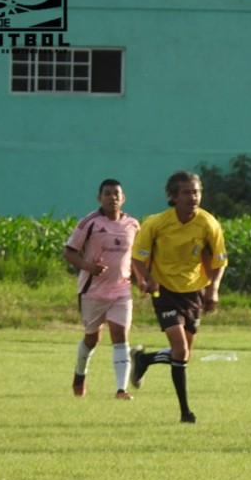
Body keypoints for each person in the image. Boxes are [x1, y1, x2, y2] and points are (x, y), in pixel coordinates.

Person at [129, 171, 228, 424]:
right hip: (165, 291)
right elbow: (138, 257)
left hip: (194, 292)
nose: (192, 197)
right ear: (173, 196)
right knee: (180, 350)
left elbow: (219, 260)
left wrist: (213, 288)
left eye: (196, 192)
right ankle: (185, 412)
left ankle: (143, 359)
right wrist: (145, 278)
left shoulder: (208, 223)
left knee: (183, 355)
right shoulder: (156, 223)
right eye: (186, 193)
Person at [63, 179, 140, 399]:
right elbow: (69, 252)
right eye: (107, 193)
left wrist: (143, 279)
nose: (112, 197)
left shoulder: (133, 225)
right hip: (93, 291)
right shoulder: (90, 223)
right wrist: (89, 267)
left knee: (120, 335)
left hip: (121, 290)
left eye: (116, 193)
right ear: (99, 198)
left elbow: (135, 256)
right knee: (92, 339)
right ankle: (80, 375)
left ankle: (121, 390)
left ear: (123, 198)